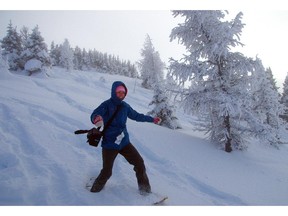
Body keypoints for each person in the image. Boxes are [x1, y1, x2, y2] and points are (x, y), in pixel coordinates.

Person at [89, 81, 161, 194]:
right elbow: (96, 113)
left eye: (123, 92)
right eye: (118, 92)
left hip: (124, 142)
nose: (121, 94)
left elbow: (137, 116)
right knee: (107, 172)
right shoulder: (106, 105)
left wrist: (152, 119)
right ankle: (94, 191)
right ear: (114, 92)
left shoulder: (125, 106)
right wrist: (96, 118)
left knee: (139, 163)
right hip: (110, 144)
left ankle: (145, 190)